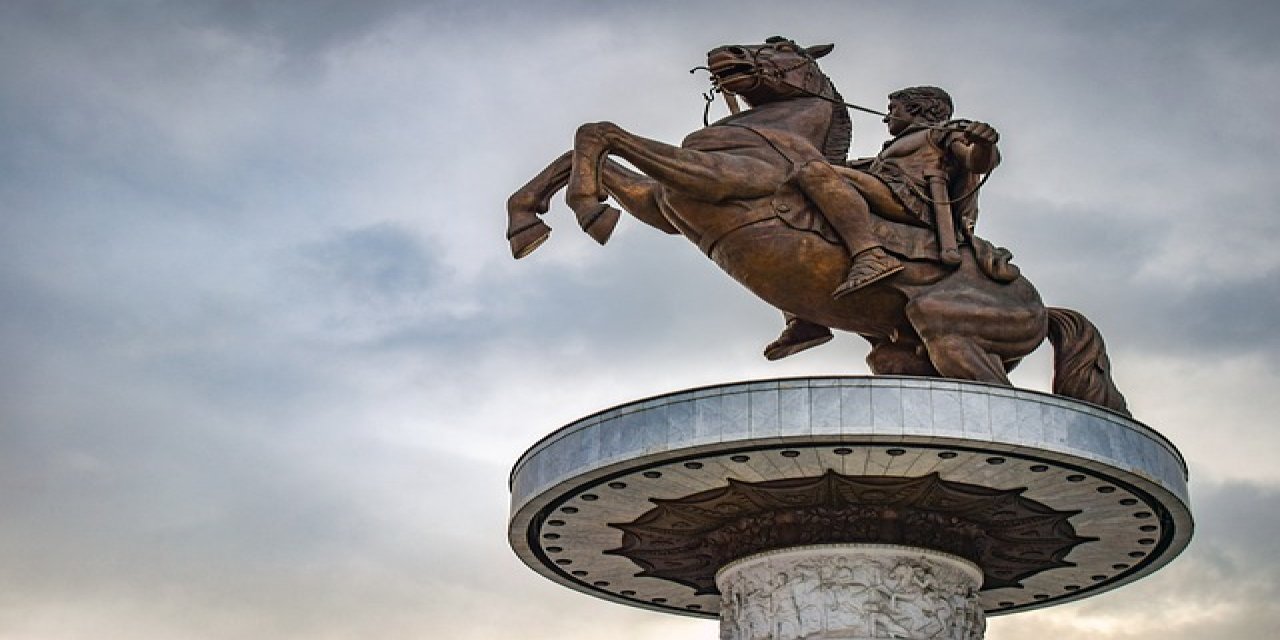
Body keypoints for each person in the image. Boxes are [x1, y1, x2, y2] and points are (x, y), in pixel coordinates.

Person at [765, 86, 1002, 360]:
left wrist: (984, 143)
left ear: (917, 109)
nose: (887, 117)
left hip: (912, 202)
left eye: (893, 110)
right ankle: (804, 316)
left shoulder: (941, 133)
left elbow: (977, 162)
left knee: (813, 171)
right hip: (886, 197)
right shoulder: (889, 151)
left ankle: (870, 256)